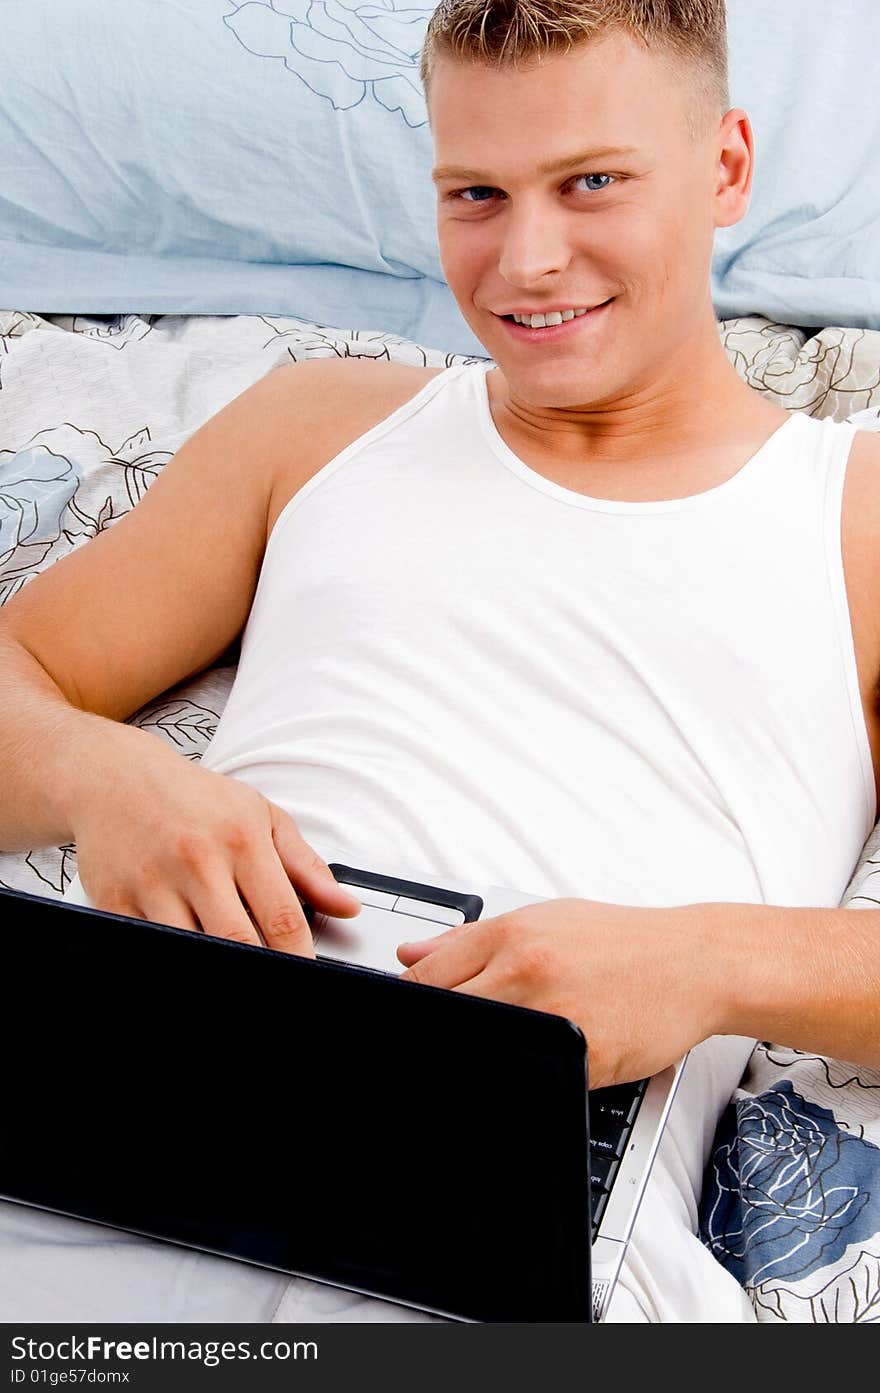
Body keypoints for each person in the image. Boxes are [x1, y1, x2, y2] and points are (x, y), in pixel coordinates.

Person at [1, 0, 878, 1324]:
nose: (527, 259)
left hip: (527, 1227)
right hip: (153, 1130)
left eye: (592, 182)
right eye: (476, 192)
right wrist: (101, 776)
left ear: (726, 168)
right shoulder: (317, 422)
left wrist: (703, 962)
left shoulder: (852, 509)